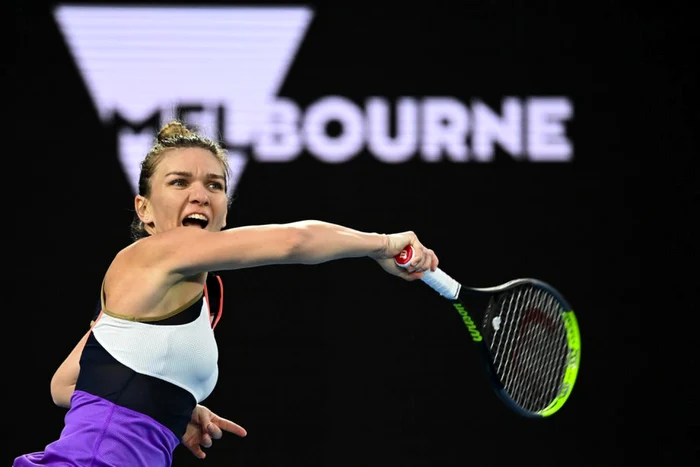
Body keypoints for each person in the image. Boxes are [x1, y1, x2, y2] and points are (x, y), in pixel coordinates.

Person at [13, 120, 439, 466]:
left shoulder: (163, 292)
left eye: (215, 185)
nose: (201, 193)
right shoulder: (149, 256)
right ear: (144, 209)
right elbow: (294, 242)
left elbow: (64, 384)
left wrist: (165, 408)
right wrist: (382, 244)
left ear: (225, 208)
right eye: (179, 182)